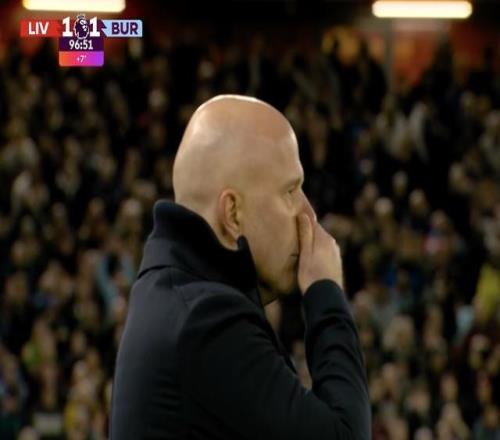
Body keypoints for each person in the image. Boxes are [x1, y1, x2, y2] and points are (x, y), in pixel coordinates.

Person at [109, 95, 371, 439]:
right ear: (232, 213)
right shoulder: (205, 321)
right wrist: (326, 291)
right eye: (290, 191)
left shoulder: (177, 295)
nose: (308, 215)